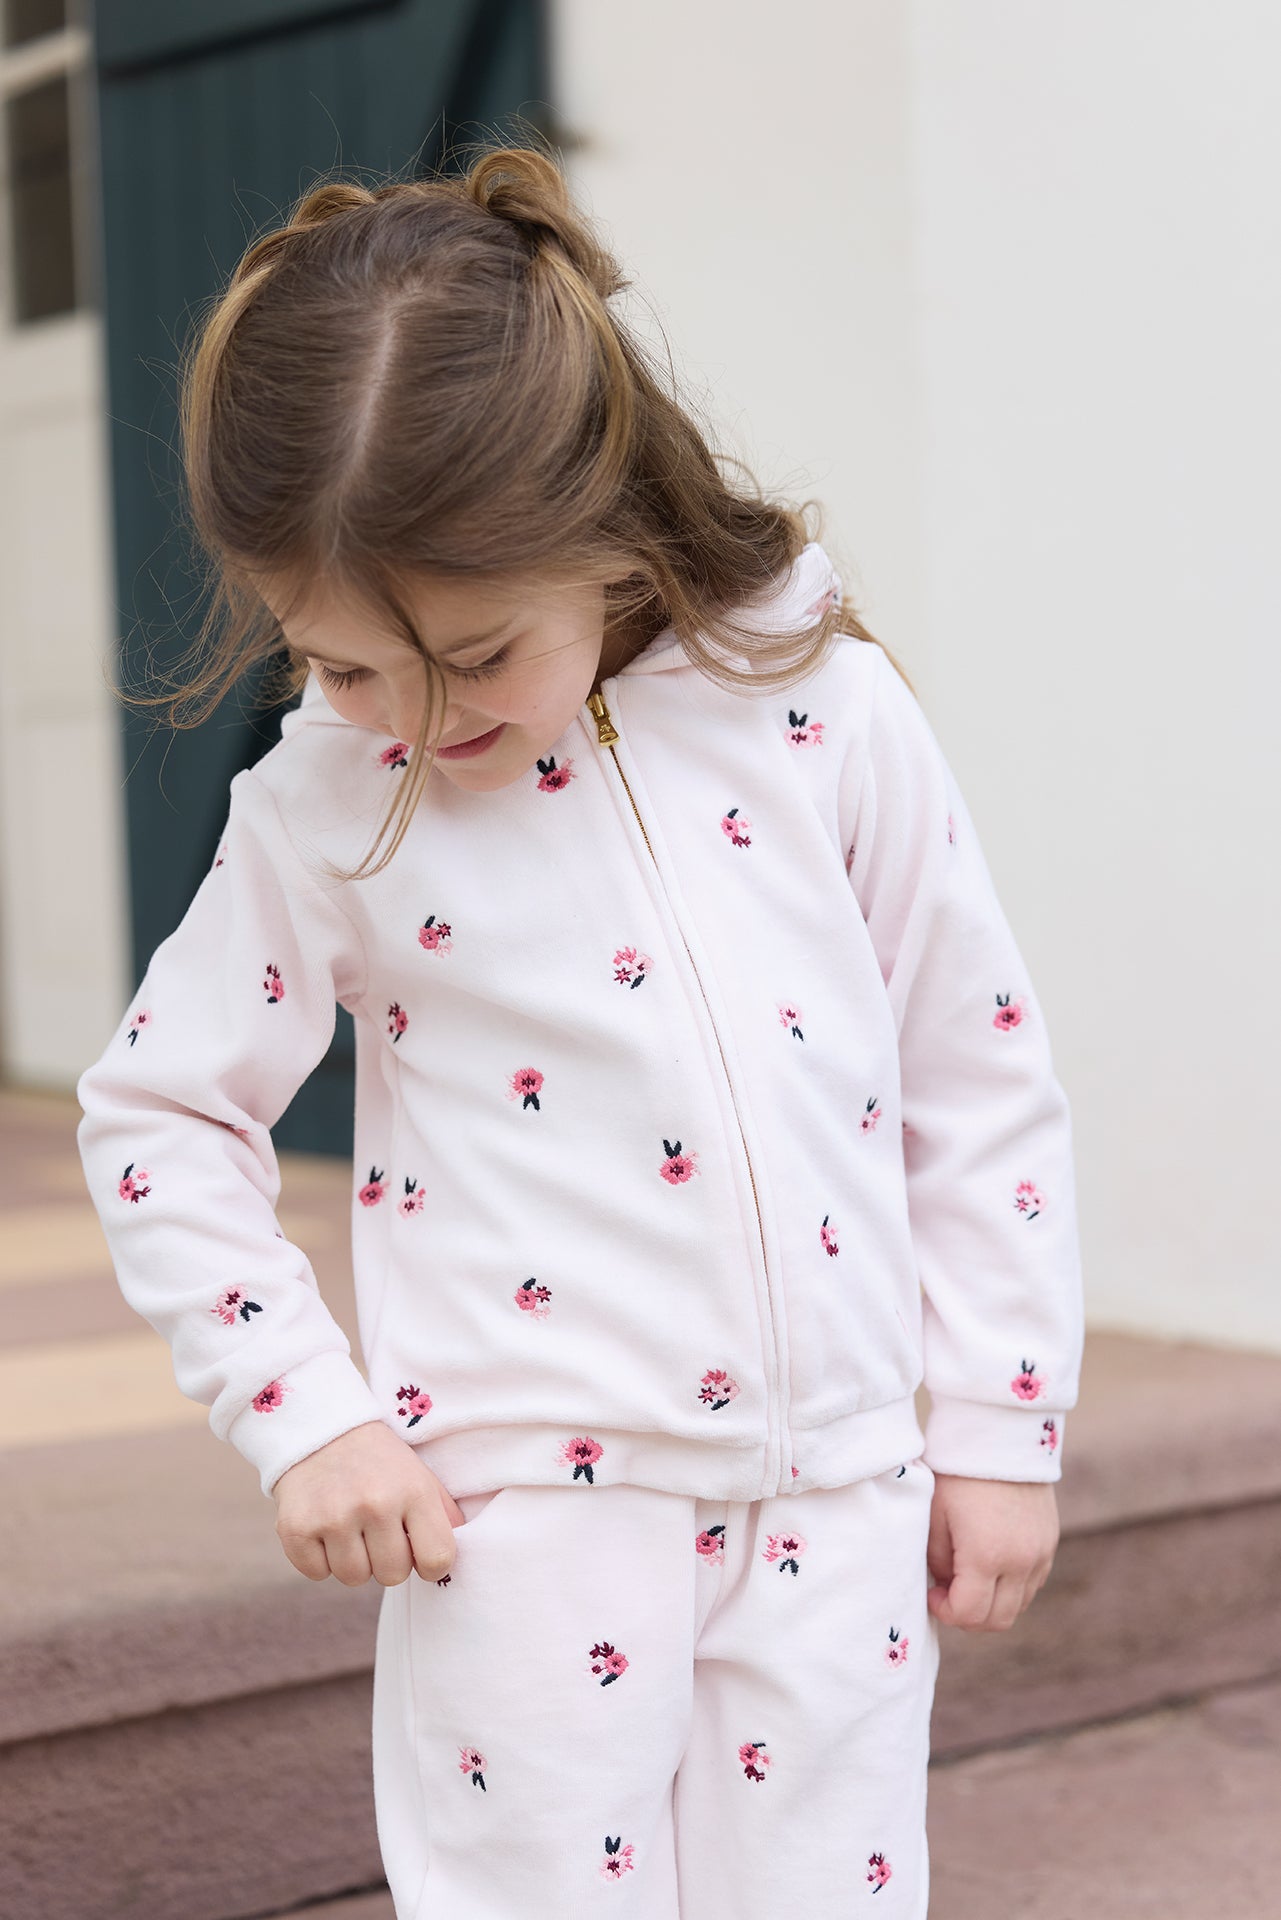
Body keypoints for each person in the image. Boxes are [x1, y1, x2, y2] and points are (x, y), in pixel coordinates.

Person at [75, 143, 1084, 1917]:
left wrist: (1001, 1417)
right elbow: (163, 1115)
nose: (410, 718)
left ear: (603, 526)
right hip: (527, 1521)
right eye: (342, 665)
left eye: (473, 655)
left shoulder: (818, 706)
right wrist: (307, 1414)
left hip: (839, 1495)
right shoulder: (324, 806)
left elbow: (970, 1065)